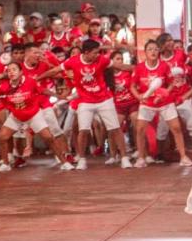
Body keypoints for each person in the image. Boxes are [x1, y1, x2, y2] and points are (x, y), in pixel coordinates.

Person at [42, 39, 133, 170]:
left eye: (98, 52)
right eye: (95, 53)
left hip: (104, 100)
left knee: (115, 129)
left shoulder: (102, 60)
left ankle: (124, 158)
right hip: (85, 101)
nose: (97, 55)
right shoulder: (73, 61)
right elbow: (55, 70)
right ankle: (82, 159)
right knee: (83, 130)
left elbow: (121, 67)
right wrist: (38, 78)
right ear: (86, 52)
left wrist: (139, 68)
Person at [0, 62, 74, 172]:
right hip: (16, 115)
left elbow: (44, 90)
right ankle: (5, 164)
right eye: (9, 70)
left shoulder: (30, 82)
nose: (11, 72)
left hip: (33, 114)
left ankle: (64, 162)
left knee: (48, 138)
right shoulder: (4, 85)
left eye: (14, 69)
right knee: (2, 137)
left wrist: (58, 96)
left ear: (21, 72)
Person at [131, 39, 192, 168]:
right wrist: (139, 97)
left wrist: (165, 92)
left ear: (159, 51)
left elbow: (171, 83)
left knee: (176, 128)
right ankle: (141, 158)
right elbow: (132, 86)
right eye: (150, 49)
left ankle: (183, 157)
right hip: (147, 103)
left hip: (165, 102)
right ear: (145, 52)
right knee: (140, 129)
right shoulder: (139, 68)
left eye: (155, 49)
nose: (153, 52)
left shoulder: (164, 66)